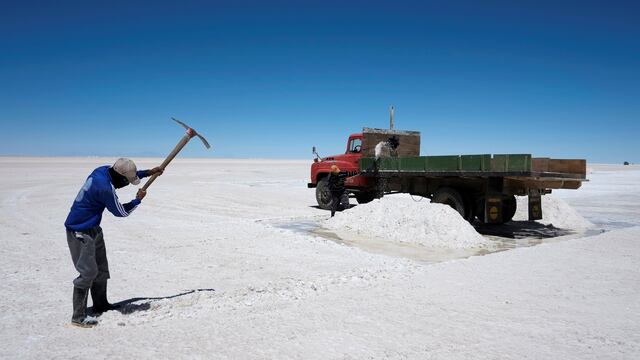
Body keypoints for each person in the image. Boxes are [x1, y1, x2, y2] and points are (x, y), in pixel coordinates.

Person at [64, 158, 163, 328]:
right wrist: (137, 200)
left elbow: (121, 179)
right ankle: (78, 316)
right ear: (120, 176)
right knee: (88, 273)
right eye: (127, 180)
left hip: (93, 227)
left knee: (101, 270)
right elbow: (121, 212)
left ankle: (100, 304)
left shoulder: (102, 171)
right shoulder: (105, 188)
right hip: (79, 231)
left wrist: (148, 173)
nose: (126, 183)